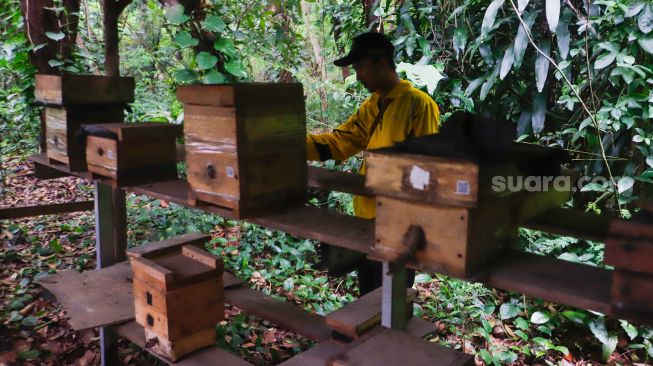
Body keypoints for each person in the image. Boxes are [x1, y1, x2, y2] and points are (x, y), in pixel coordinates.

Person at [306, 32, 441, 295]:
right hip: (366, 223)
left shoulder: (418, 105)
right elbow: (338, 143)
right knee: (368, 296)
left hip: (399, 229)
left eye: (360, 67)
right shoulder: (372, 106)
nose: (357, 75)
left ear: (380, 63)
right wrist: (288, 143)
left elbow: (426, 170)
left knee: (392, 303)